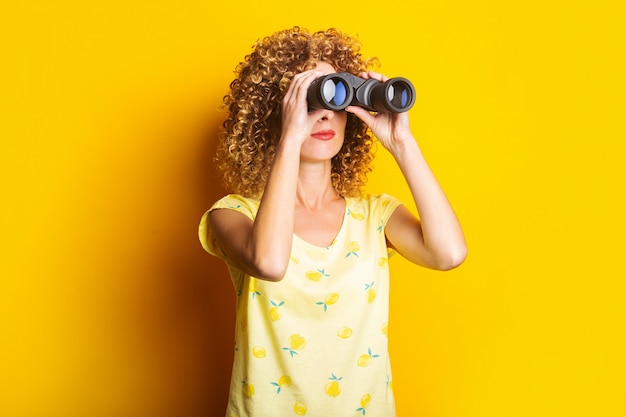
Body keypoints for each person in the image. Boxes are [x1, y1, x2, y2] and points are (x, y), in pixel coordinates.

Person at [199, 26, 467, 417]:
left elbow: (450, 254)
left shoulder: (375, 216)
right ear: (276, 112)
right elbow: (270, 263)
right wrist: (290, 137)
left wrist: (401, 143)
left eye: (336, 94)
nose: (325, 112)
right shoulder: (234, 214)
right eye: (309, 96)